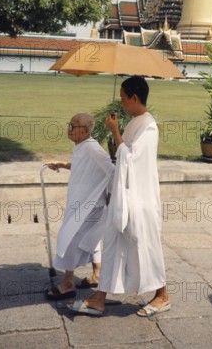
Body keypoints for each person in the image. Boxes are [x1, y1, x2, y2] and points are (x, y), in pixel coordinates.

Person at [68, 76, 170, 316]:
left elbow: (131, 160)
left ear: (135, 98)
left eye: (124, 99)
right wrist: (117, 138)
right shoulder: (136, 122)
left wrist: (115, 132)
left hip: (141, 198)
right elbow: (124, 153)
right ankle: (99, 297)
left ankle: (162, 295)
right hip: (125, 195)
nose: (122, 103)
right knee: (113, 244)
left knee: (144, 246)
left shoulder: (149, 127)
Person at [45, 112, 114, 300]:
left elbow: (113, 171)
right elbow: (82, 166)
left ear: (85, 130)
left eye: (73, 125)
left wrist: (112, 194)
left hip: (90, 205)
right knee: (90, 238)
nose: (69, 128)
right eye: (70, 124)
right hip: (84, 202)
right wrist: (61, 164)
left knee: (69, 237)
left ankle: (68, 283)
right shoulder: (82, 146)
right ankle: (97, 274)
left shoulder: (94, 149)